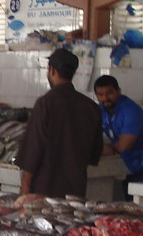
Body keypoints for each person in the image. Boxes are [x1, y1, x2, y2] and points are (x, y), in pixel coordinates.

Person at [16, 47, 103, 199]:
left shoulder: (45, 104)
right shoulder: (91, 107)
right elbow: (95, 153)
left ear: (52, 70)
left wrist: (25, 184)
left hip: (44, 189)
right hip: (76, 189)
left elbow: (33, 148)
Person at [93, 74, 143, 183]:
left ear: (119, 91)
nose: (105, 98)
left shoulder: (131, 111)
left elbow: (123, 147)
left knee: (141, 198)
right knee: (127, 197)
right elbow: (90, 136)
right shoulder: (100, 111)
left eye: (109, 93)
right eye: (100, 95)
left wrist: (102, 149)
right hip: (128, 161)